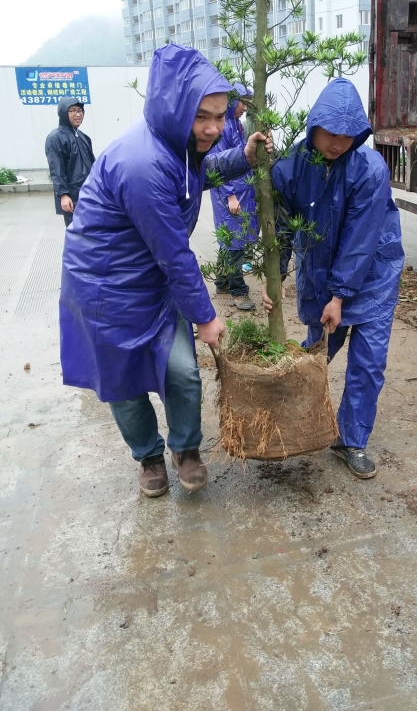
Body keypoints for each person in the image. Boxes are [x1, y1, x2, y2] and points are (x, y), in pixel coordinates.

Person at [60, 45, 271, 497]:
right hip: (104, 288)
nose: (214, 128)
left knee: (180, 371)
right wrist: (206, 316)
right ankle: (149, 456)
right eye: (202, 117)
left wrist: (244, 158)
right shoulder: (142, 163)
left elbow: (200, 171)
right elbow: (175, 254)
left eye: (219, 116)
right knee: (123, 383)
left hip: (151, 280)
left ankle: (186, 448)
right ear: (176, 109)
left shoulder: (176, 145)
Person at [262, 78, 404, 479]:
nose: (338, 143)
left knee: (369, 361)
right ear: (314, 126)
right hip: (322, 273)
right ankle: (292, 420)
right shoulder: (292, 169)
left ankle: (351, 440)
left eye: (348, 135)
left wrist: (340, 296)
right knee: (316, 354)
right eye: (331, 133)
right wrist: (273, 281)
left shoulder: (369, 169)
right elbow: (280, 229)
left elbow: (361, 238)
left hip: (373, 273)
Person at [210, 83, 258, 311]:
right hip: (229, 194)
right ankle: (238, 291)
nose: (245, 107)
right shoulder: (223, 127)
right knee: (234, 243)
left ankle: (221, 282)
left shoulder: (235, 125)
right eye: (243, 102)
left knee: (229, 240)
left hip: (239, 192)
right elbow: (219, 164)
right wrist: (230, 195)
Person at [45, 97, 95, 227]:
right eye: (72, 110)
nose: (78, 114)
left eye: (80, 110)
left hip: (89, 193)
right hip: (72, 197)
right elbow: (56, 169)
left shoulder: (83, 137)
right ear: (63, 113)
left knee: (93, 230)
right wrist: (63, 195)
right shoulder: (55, 138)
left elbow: (93, 164)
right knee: (76, 232)